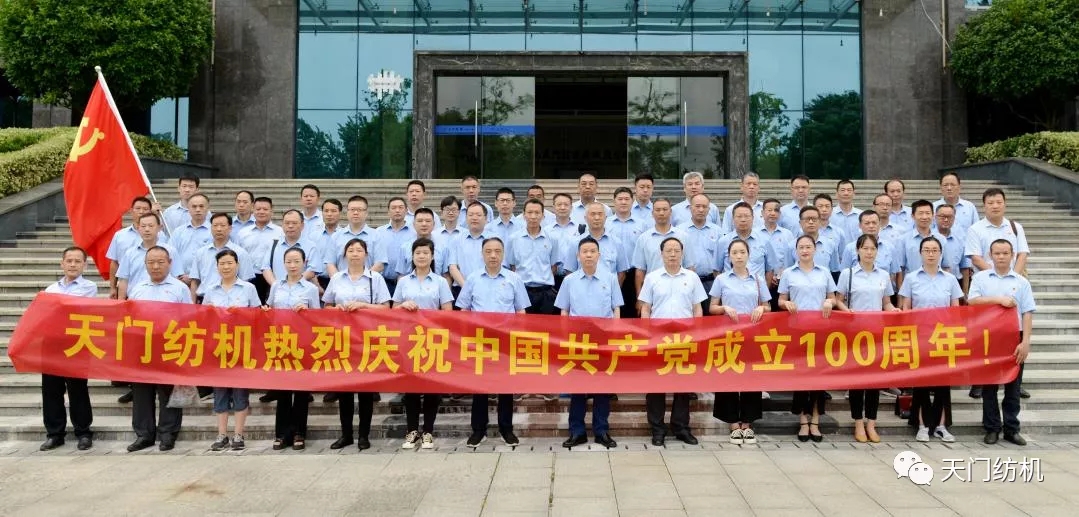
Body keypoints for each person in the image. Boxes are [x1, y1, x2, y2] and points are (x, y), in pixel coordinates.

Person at [456, 237, 530, 447]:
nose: (493, 255)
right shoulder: (473, 279)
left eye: (497, 251)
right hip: (480, 340)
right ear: (482, 254)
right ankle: (478, 430)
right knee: (480, 387)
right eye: (488, 251)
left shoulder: (514, 279)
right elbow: (464, 309)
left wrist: (519, 338)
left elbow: (521, 311)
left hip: (505, 341)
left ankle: (506, 429)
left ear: (503, 254)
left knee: (505, 387)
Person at [323, 238, 391, 451]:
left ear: (366, 255)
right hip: (342, 339)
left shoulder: (375, 278)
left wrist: (363, 306)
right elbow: (326, 306)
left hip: (366, 338)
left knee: (365, 391)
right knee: (344, 390)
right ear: (345, 255)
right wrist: (336, 309)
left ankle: (363, 435)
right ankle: (346, 434)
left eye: (359, 250)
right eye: (350, 250)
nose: (354, 253)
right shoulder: (336, 278)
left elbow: (386, 308)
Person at [639, 237, 707, 446]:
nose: (672, 254)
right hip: (658, 338)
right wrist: (647, 334)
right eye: (668, 250)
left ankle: (681, 427)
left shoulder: (692, 277)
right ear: (661, 254)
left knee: (683, 384)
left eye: (676, 250)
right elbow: (645, 308)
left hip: (685, 338)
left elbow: (697, 308)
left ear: (682, 253)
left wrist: (698, 333)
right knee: (656, 385)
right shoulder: (652, 278)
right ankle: (657, 429)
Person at [556, 237, 623, 449]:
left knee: (603, 386)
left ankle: (601, 430)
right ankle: (577, 431)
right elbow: (564, 311)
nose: (588, 255)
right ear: (578, 255)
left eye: (592, 251)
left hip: (603, 340)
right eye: (584, 251)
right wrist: (565, 337)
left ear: (599, 255)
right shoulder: (569, 280)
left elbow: (616, 308)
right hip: (578, 341)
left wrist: (615, 335)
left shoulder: (610, 278)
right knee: (578, 388)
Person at [969, 239, 1035, 446]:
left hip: (1014, 337)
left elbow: (1027, 313)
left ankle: (1011, 429)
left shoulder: (1022, 282)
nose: (1001, 257)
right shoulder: (980, 278)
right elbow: (972, 301)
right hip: (988, 337)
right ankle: (992, 428)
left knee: (1013, 386)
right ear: (990, 255)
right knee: (989, 385)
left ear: (1012, 255)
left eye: (1005, 253)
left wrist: (1025, 342)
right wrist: (998, 299)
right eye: (997, 253)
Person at [835, 234, 900, 443]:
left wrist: (894, 310)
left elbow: (886, 302)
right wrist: (847, 311)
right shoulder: (848, 274)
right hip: (855, 333)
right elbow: (838, 299)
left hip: (877, 334)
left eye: (873, 249)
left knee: (874, 381)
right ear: (858, 251)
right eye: (865, 248)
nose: (869, 252)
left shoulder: (883, 275)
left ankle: (871, 422)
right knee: (857, 381)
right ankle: (858, 422)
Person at [126, 246, 191, 452]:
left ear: (170, 263)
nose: (155, 266)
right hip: (142, 347)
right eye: (151, 262)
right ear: (145, 264)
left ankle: (168, 434)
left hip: (170, 346)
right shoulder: (137, 288)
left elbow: (189, 318)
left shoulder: (180, 289)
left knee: (168, 392)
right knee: (141, 393)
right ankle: (144, 435)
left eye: (161, 262)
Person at [899, 236, 963, 443]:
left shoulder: (950, 279)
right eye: (926, 250)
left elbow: (955, 309)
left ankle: (941, 426)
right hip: (920, 336)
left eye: (935, 250)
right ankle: (923, 425)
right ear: (920, 253)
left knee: (943, 383)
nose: (931, 254)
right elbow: (906, 308)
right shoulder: (911, 278)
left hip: (944, 336)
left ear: (941, 253)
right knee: (922, 383)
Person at [393, 238, 455, 449]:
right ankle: (411, 431)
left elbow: (448, 312)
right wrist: (403, 306)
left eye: (425, 253)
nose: (421, 256)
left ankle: (428, 431)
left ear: (432, 256)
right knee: (410, 387)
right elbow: (393, 310)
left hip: (432, 340)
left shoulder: (440, 282)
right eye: (418, 253)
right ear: (412, 256)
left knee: (431, 387)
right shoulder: (403, 282)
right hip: (409, 340)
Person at [708, 239, 770, 445]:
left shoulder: (758, 279)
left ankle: (747, 423)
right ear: (729, 256)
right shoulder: (721, 279)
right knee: (729, 375)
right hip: (728, 335)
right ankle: (733, 423)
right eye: (734, 252)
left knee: (751, 377)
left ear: (748, 255)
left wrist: (761, 308)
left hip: (752, 336)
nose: (739, 256)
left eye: (742, 252)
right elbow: (712, 307)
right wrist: (724, 308)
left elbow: (768, 306)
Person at [779, 235, 838, 443]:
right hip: (798, 331)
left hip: (821, 331)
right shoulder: (789, 273)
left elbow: (833, 297)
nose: (805, 250)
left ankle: (816, 420)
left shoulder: (824, 272)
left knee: (819, 377)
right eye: (801, 247)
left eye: (808, 247)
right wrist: (786, 304)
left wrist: (830, 302)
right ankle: (803, 420)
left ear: (815, 250)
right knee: (802, 376)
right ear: (796, 251)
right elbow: (781, 299)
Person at [201, 249, 262, 451]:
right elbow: (202, 320)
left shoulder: (248, 288)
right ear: (217, 267)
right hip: (218, 347)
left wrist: (242, 314)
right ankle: (221, 434)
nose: (226, 267)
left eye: (230, 263)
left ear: (237, 265)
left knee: (240, 391)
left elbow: (258, 316)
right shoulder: (210, 290)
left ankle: (238, 434)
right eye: (222, 264)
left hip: (241, 346)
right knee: (219, 391)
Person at [39, 246, 98, 451]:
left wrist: (59, 307)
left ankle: (83, 432)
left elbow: (78, 309)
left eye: (77, 261)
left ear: (85, 265)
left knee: (77, 389)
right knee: (51, 390)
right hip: (52, 344)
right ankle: (55, 434)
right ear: (62, 264)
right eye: (69, 261)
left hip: (77, 343)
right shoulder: (50, 289)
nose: (73, 265)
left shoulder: (89, 287)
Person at [264, 247, 320, 450]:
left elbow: (319, 317)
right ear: (284, 263)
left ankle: (299, 433)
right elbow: (269, 310)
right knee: (283, 391)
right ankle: (281, 434)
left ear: (304, 263)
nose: (293, 265)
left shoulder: (310, 289)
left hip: (302, 343)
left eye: (297, 261)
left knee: (301, 392)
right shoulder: (276, 286)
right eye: (289, 261)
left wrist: (307, 312)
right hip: (280, 342)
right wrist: (265, 311)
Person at [507, 199, 560, 315]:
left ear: (543, 215)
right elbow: (512, 266)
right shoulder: (513, 239)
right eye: (530, 212)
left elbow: (554, 266)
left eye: (537, 213)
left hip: (546, 293)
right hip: (522, 292)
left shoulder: (552, 238)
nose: (533, 216)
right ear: (524, 215)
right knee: (522, 325)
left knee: (547, 325)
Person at [106, 196, 165, 299]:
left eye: (145, 209)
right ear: (131, 211)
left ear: (150, 211)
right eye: (138, 208)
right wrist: (113, 287)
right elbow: (114, 263)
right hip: (129, 290)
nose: (141, 211)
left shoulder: (161, 236)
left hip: (156, 292)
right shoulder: (120, 235)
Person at [116, 213, 184, 301]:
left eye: (151, 226)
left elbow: (176, 277)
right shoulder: (130, 253)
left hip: (165, 301)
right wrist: (121, 302)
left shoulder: (170, 251)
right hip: (136, 300)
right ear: (138, 228)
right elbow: (123, 280)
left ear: (159, 228)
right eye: (143, 226)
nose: (147, 229)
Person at [189, 212, 255, 301]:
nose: (218, 229)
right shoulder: (201, 252)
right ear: (211, 228)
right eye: (215, 226)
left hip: (232, 302)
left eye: (222, 225)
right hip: (205, 301)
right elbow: (195, 282)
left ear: (230, 228)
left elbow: (245, 281)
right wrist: (192, 304)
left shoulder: (241, 253)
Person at [678, 193, 723, 312]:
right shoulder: (680, 231)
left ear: (709, 209)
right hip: (686, 282)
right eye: (697, 206)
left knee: (712, 317)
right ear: (690, 208)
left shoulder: (717, 231)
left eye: (704, 206)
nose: (701, 210)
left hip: (711, 282)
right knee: (690, 315)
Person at [607, 187, 647, 318]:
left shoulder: (642, 224)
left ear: (632, 201)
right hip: (613, 274)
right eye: (620, 199)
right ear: (614, 201)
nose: (623, 202)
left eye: (626, 199)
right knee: (614, 311)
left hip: (635, 274)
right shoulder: (606, 223)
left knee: (635, 312)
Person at [377, 197, 417, 295]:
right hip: (383, 283)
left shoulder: (414, 233)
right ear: (388, 211)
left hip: (408, 283)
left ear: (406, 211)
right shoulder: (378, 232)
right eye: (394, 208)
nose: (397, 210)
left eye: (400, 207)